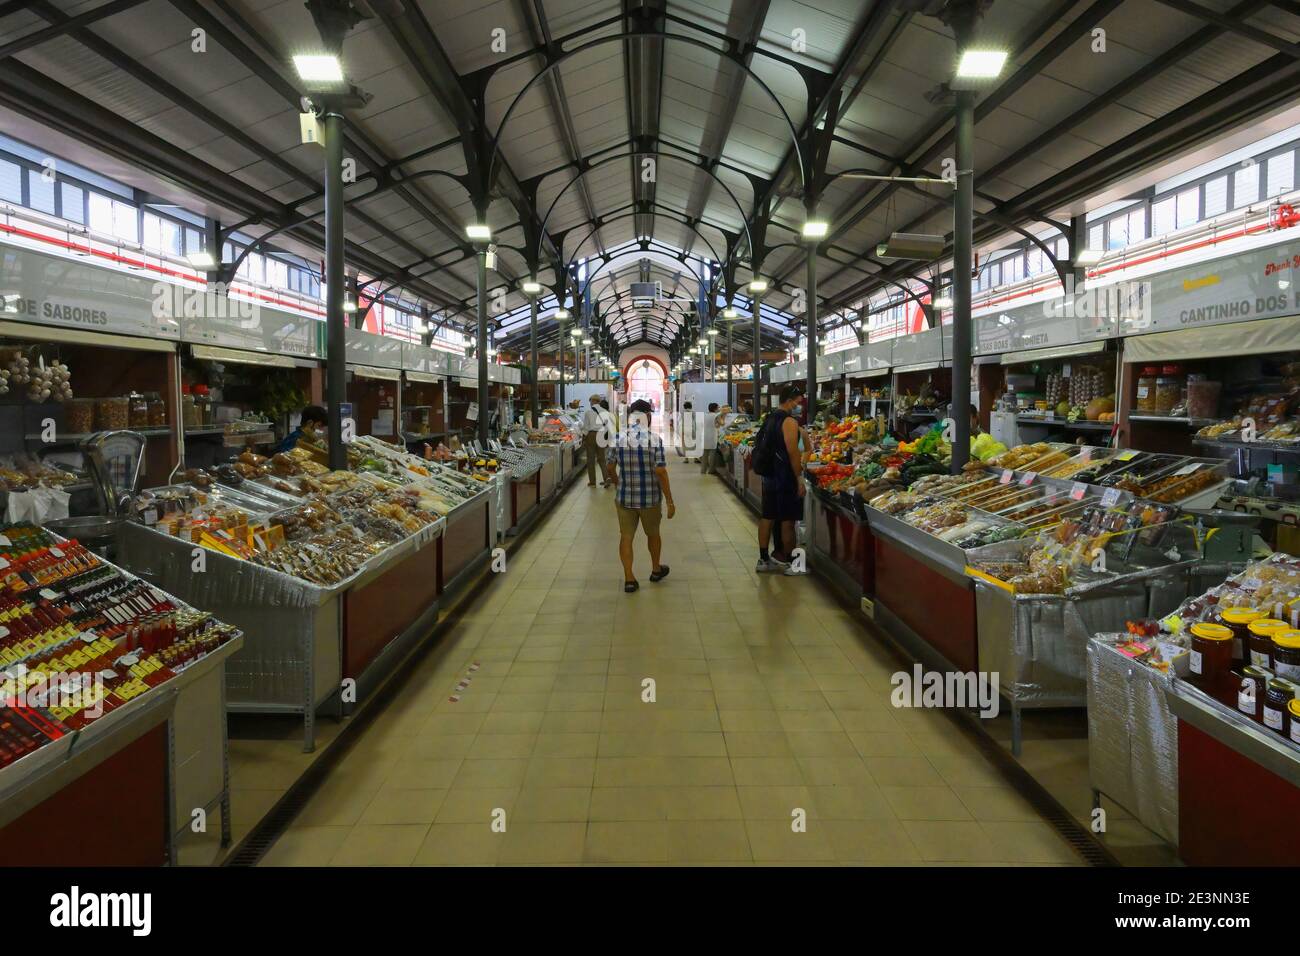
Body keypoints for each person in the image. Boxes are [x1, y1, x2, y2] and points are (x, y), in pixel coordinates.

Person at [606, 399, 675, 593]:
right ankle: (655, 569)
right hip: (650, 499)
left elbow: (610, 466)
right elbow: (661, 471)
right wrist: (669, 500)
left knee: (626, 537)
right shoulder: (655, 440)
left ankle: (629, 578)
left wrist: (617, 483)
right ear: (648, 417)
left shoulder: (618, 438)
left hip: (625, 499)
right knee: (653, 534)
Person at [756, 384, 808, 575]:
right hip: (784, 476)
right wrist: (799, 477)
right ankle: (790, 564)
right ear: (790, 401)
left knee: (767, 516)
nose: (799, 406)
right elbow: (792, 451)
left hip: (769, 476)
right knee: (788, 519)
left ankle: (763, 559)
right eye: (798, 402)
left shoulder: (769, 418)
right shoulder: (789, 422)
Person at [581, 394, 604, 486]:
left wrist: (583, 436)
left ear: (592, 401)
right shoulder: (605, 411)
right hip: (601, 435)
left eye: (590, 401)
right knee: (602, 459)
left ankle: (592, 481)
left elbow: (586, 427)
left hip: (591, 435)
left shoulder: (588, 412)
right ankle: (606, 478)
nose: (590, 403)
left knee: (590, 459)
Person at [700, 401, 720, 475]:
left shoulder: (704, 415)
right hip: (712, 436)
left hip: (705, 436)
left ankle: (703, 470)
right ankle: (711, 470)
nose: (719, 409)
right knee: (712, 455)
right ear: (715, 409)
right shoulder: (716, 416)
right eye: (718, 407)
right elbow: (719, 425)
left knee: (704, 455)